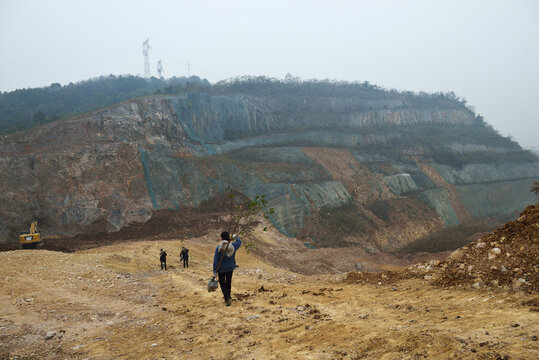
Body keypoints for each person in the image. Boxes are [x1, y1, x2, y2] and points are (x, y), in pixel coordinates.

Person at [213, 231, 241, 306]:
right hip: (230, 268)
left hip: (221, 269)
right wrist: (235, 237)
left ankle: (227, 298)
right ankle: (228, 297)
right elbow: (239, 242)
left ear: (222, 238)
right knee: (228, 282)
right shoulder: (232, 246)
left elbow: (216, 260)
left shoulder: (219, 248)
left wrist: (215, 271)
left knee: (222, 283)